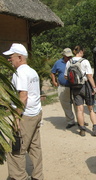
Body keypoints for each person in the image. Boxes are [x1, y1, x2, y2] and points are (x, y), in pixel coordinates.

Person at [3, 43, 44, 180]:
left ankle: (19, 177)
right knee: (34, 147)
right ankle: (38, 176)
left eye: (11, 57)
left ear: (19, 57)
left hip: (25, 116)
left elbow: (23, 96)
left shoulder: (20, 72)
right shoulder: (32, 71)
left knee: (16, 150)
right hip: (36, 113)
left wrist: (16, 118)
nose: (9, 60)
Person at [64, 45, 96, 137]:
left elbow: (66, 76)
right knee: (91, 108)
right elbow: (89, 76)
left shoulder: (69, 62)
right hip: (86, 87)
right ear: (81, 51)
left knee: (79, 109)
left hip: (75, 88)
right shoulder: (85, 61)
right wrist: (94, 87)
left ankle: (82, 129)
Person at [51, 48, 78, 129]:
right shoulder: (58, 63)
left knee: (77, 104)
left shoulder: (75, 61)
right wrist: (54, 81)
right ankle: (71, 121)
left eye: (70, 56)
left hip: (74, 87)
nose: (69, 58)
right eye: (67, 57)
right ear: (63, 55)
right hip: (63, 87)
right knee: (66, 104)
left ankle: (80, 121)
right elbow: (53, 72)